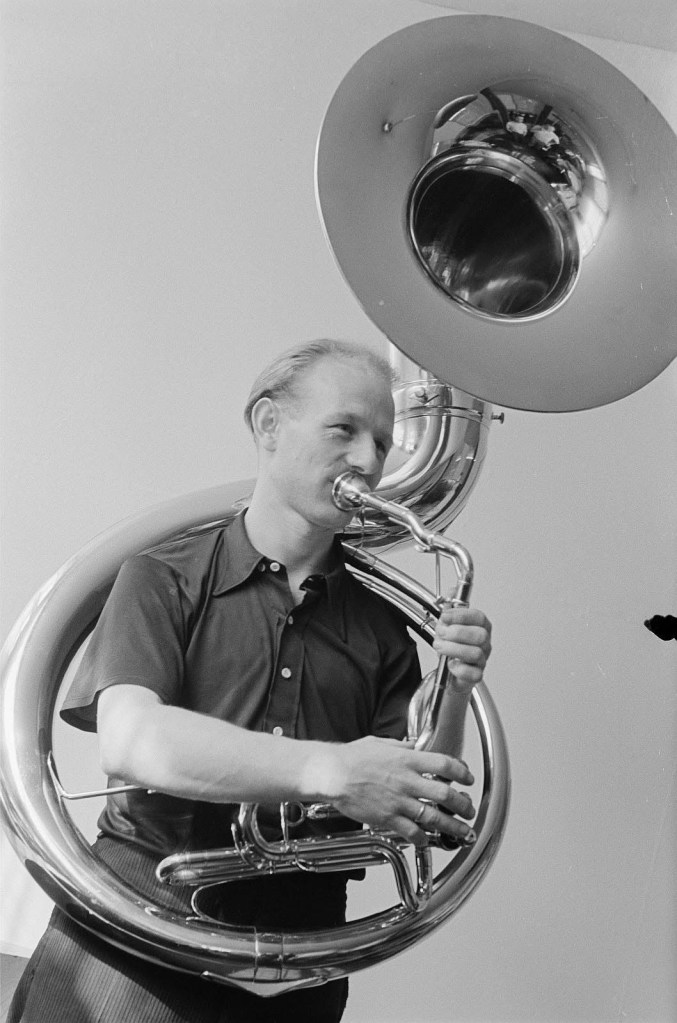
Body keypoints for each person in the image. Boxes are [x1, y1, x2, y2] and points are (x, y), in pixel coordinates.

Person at [9, 339, 492, 1023]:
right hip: (135, 944)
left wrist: (455, 686)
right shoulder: (161, 576)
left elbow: (413, 804)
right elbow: (132, 739)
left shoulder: (385, 629)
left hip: (300, 971)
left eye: (382, 443)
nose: (368, 460)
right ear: (268, 425)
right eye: (343, 429)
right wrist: (331, 770)